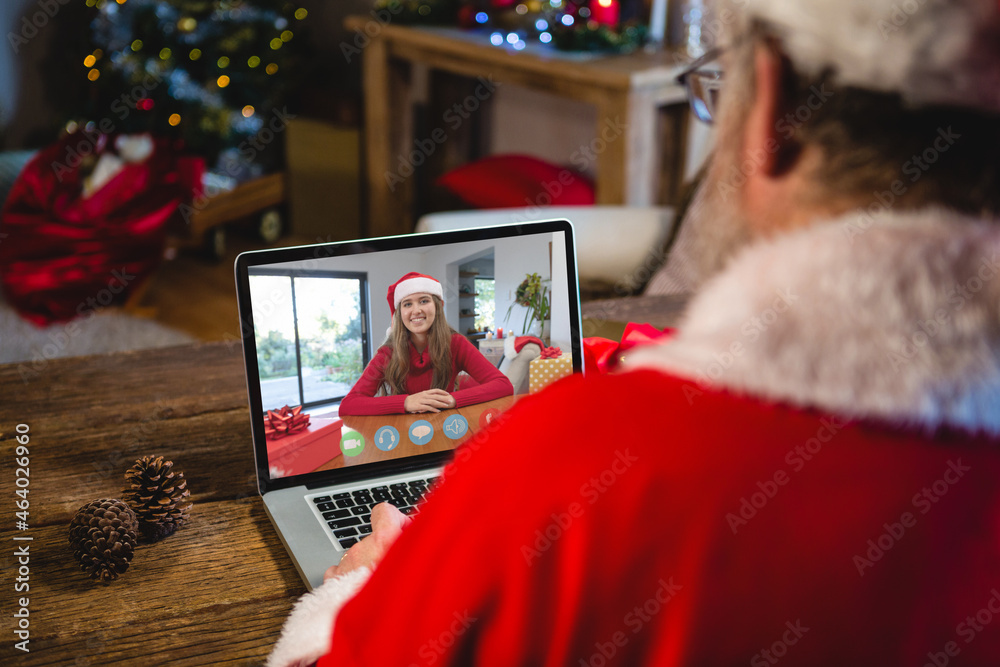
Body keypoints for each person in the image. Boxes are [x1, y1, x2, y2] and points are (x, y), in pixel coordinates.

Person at [268, 1, 1000, 664]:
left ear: (771, 102)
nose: (422, 314)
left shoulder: (558, 469)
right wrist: (410, 402)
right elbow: (360, 404)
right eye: (414, 307)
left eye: (720, 88)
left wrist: (360, 587)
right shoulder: (400, 360)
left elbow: (492, 385)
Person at [337, 272, 512, 416]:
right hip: (403, 430)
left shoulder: (456, 343)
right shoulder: (387, 353)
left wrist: (454, 399)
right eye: (407, 304)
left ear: (437, 306)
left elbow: (503, 384)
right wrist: (406, 402)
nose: (416, 310)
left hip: (448, 424)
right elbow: (349, 404)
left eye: (424, 301)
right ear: (400, 314)